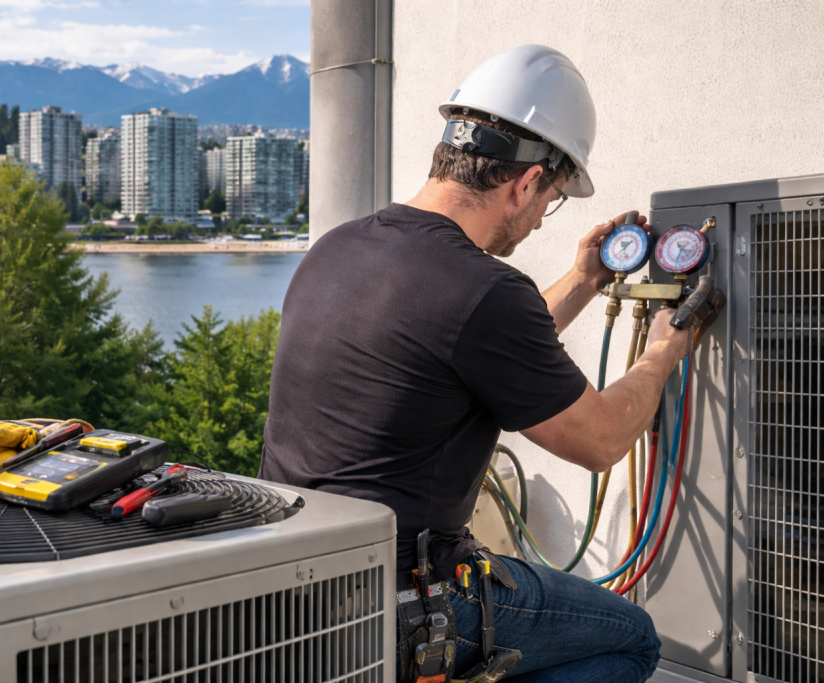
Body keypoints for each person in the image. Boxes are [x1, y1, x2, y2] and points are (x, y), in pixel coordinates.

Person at [258, 44, 708, 682]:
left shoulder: (339, 248)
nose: (536, 222)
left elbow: (468, 347)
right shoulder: (483, 288)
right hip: (410, 600)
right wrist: (667, 345)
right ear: (525, 182)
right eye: (548, 201)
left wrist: (583, 280)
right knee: (630, 636)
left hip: (299, 580)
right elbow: (602, 440)